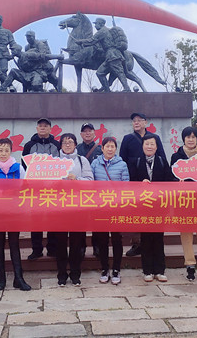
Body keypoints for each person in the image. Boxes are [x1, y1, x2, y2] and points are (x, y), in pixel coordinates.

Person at [0, 138, 32, 291]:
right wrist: (3, 194)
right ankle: (1, 279)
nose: (3, 153)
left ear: (11, 151)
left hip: (14, 212)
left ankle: (19, 278)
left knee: (14, 244)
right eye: (1, 150)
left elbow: (25, 187)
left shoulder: (18, 169)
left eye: (7, 150)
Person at [119, 112, 167, 257]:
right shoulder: (128, 139)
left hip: (155, 187)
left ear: (146, 122)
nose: (136, 123)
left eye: (139, 120)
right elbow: (122, 161)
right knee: (137, 216)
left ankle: (155, 249)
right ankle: (137, 245)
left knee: (154, 218)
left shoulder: (154, 138)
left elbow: (162, 158)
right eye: (134, 121)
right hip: (135, 184)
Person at [170, 126, 197, 282]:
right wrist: (177, 181)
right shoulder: (176, 157)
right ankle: (189, 265)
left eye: (193, 137)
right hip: (184, 201)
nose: (190, 139)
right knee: (186, 234)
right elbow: (171, 177)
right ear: (184, 139)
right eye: (188, 137)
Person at [55, 133, 94, 286]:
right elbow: (46, 182)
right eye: (64, 142)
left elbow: (90, 181)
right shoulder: (54, 161)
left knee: (76, 242)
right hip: (59, 207)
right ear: (60, 145)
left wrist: (76, 180)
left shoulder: (82, 160)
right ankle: (61, 274)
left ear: (75, 144)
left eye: (70, 142)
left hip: (78, 207)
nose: (67, 145)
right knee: (60, 242)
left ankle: (75, 273)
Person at [91, 137, 129, 285]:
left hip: (116, 207)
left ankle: (116, 269)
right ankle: (104, 268)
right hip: (100, 207)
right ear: (102, 148)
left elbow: (126, 185)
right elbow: (90, 184)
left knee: (116, 239)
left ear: (115, 149)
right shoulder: (95, 163)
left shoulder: (122, 164)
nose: (110, 149)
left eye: (112, 146)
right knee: (102, 239)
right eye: (107, 146)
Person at [136, 134, 174, 282]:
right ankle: (147, 271)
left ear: (157, 147)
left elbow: (169, 181)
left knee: (158, 238)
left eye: (152, 144)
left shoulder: (162, 161)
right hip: (143, 206)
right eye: (147, 144)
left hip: (159, 206)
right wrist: (141, 183)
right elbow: (130, 182)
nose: (149, 147)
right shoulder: (137, 162)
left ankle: (159, 270)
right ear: (142, 146)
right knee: (145, 238)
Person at [22, 118, 61, 260]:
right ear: (37, 128)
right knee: (36, 219)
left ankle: (52, 248)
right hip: (35, 189)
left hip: (53, 189)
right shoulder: (29, 145)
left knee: (53, 219)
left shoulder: (57, 145)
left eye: (46, 126)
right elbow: (24, 165)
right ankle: (36, 249)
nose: (43, 128)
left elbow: (62, 164)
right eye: (40, 126)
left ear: (50, 129)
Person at [77, 122, 103, 257]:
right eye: (85, 131)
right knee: (81, 220)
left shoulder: (100, 149)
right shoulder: (76, 149)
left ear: (94, 133)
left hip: (97, 190)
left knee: (96, 220)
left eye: (90, 131)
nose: (87, 133)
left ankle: (97, 246)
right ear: (81, 134)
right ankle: (81, 247)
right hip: (80, 191)